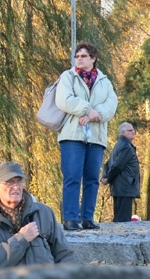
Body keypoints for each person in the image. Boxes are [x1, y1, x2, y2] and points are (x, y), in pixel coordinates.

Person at [55, 41, 118, 230]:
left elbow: (111, 105)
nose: (79, 59)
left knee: (91, 178)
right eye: (77, 56)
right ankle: (70, 218)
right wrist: (87, 110)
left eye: (83, 56)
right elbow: (64, 100)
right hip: (72, 135)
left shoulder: (104, 82)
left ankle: (87, 218)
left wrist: (94, 115)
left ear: (93, 58)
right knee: (72, 176)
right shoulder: (68, 77)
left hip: (96, 137)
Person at [0, 161, 75, 270]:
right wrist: (21, 239)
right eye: (10, 182)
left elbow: (65, 254)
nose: (16, 187)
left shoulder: (44, 213)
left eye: (19, 181)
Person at [100, 122, 140, 222]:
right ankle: (122, 237)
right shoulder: (126, 146)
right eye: (130, 130)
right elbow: (117, 165)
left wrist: (105, 177)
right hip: (125, 187)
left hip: (119, 187)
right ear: (122, 132)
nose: (133, 132)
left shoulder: (118, 144)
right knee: (123, 220)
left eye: (133, 130)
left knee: (118, 218)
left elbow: (108, 164)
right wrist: (108, 178)